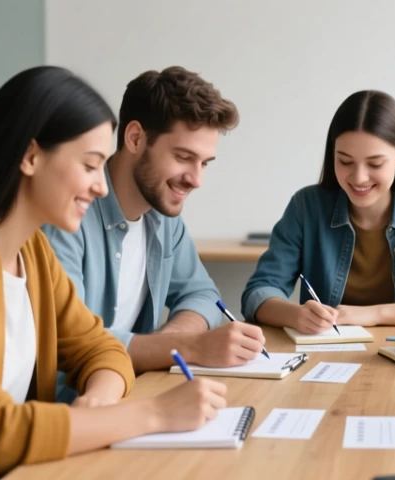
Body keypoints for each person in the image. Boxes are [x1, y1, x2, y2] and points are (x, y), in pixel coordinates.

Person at [0, 66, 228, 480]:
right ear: (31, 157)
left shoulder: (32, 254)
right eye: (90, 165)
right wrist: (154, 413)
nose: (102, 187)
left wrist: (97, 403)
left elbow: (101, 349)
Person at [43, 67, 266, 402]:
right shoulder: (67, 215)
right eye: (183, 157)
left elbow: (203, 294)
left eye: (205, 163)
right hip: (70, 408)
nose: (196, 180)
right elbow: (70, 340)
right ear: (135, 138)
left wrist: (171, 341)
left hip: (131, 394)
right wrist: (188, 347)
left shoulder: (162, 217)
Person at [241, 90, 395, 333]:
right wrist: (295, 315)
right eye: (345, 161)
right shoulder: (306, 207)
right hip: (326, 351)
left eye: (375, 163)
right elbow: (257, 292)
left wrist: (374, 314)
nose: (359, 178)